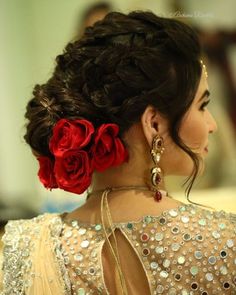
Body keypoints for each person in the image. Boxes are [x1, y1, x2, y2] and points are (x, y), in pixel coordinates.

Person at [0, 10, 235, 295]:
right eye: (201, 105)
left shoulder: (22, 248)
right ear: (154, 123)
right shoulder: (224, 242)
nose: (211, 125)